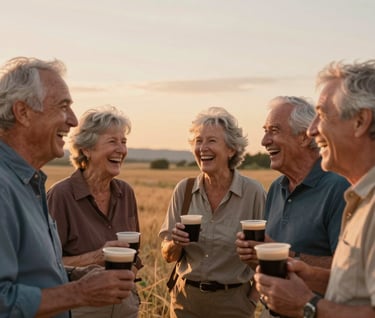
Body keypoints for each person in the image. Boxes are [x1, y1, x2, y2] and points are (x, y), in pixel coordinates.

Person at [0, 57, 134, 318]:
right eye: (63, 107)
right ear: (23, 112)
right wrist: (79, 293)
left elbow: (36, 273)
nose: (73, 121)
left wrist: (79, 276)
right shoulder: (4, 188)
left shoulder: (29, 184)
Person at [253, 60, 375, 317]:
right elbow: (356, 287)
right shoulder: (361, 198)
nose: (312, 129)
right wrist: (309, 275)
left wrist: (307, 306)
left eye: (323, 115)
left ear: (361, 121)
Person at [236, 97, 349, 317]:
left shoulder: (338, 188)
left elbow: (348, 272)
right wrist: (254, 256)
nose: (264, 141)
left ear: (305, 136)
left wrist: (282, 252)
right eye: (265, 131)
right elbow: (273, 267)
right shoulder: (277, 187)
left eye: (274, 130)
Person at [159, 106, 267, 318]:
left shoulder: (253, 192)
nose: (203, 148)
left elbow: (269, 252)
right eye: (198, 141)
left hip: (234, 304)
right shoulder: (185, 189)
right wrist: (175, 243)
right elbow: (167, 255)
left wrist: (252, 299)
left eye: (211, 141)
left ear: (231, 149)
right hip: (185, 302)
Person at [47, 106, 142, 318]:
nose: (121, 149)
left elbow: (136, 254)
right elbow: (47, 264)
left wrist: (131, 274)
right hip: (81, 310)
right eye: (112, 141)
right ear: (86, 149)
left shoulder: (125, 192)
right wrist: (97, 257)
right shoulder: (61, 195)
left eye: (123, 142)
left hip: (125, 308)